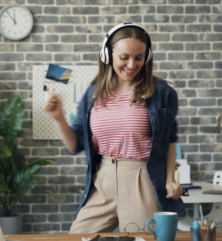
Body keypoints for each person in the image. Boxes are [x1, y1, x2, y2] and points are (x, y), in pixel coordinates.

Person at [44, 23, 185, 233]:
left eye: (139, 57)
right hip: (102, 179)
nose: (131, 64)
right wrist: (59, 118)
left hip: (141, 179)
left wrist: (171, 179)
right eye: (124, 57)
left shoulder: (162, 93)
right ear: (107, 55)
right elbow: (74, 145)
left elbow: (170, 139)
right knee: (78, 236)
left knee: (142, 239)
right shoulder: (93, 93)